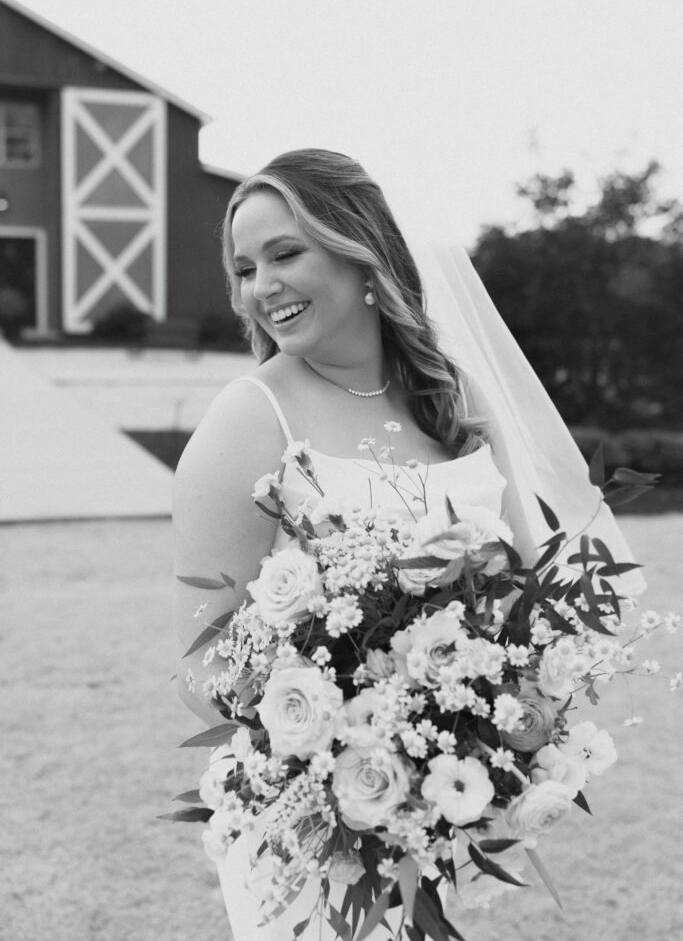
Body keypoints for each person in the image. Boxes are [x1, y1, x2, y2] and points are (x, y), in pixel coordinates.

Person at [172, 148, 640, 940]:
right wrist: (344, 728)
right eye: (246, 268)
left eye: (286, 254)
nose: (262, 287)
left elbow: (536, 588)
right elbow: (198, 661)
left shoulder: (452, 395)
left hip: (443, 805)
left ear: (362, 254)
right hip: (304, 815)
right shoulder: (248, 417)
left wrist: (503, 719)